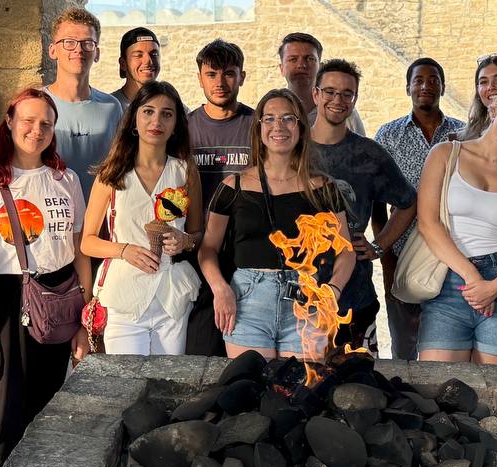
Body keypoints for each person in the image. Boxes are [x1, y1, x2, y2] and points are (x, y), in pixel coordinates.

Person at [0, 88, 92, 467]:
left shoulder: (66, 180)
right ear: (10, 122)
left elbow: (80, 253)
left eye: (46, 124)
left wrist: (84, 323)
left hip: (58, 299)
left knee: (46, 413)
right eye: (28, 121)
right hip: (5, 303)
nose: (37, 131)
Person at [199, 88, 357, 359]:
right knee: (250, 381)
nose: (278, 126)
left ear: (300, 127)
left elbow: (346, 250)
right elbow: (208, 248)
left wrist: (332, 291)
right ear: (259, 127)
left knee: (300, 384)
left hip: (306, 301)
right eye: (269, 119)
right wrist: (220, 288)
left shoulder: (323, 187)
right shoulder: (234, 186)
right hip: (248, 301)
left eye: (288, 118)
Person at [416, 84, 497, 365]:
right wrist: (472, 277)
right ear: (494, 107)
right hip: (448, 279)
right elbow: (428, 223)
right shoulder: (445, 153)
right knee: (437, 382)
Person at [80, 81, 203, 354]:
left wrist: (185, 241)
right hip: (124, 297)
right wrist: (124, 250)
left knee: (167, 377)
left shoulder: (185, 172)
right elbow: (87, 242)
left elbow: (198, 234)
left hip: (172, 298)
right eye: (148, 111)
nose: (156, 121)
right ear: (134, 119)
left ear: (176, 124)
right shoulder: (111, 175)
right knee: (125, 377)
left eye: (167, 114)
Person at [309, 59, 417, 353]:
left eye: (347, 93)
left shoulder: (369, 154)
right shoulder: (293, 148)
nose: (338, 100)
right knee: (302, 377)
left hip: (355, 296)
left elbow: (408, 202)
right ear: (316, 94)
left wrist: (379, 245)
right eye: (330, 91)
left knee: (359, 379)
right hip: (301, 293)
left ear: (355, 99)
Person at [373, 57, 465, 360]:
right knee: (406, 346)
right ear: (408, 87)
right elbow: (377, 202)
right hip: (403, 254)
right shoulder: (388, 135)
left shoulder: (462, 134)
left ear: (443, 87)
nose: (426, 86)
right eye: (419, 80)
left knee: (447, 346)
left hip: (452, 255)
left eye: (433, 80)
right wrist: (385, 256)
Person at [186, 38, 253, 355]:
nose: (220, 82)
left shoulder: (258, 125)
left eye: (228, 73)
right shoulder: (184, 127)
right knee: (200, 346)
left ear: (241, 76)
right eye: (211, 74)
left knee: (244, 346)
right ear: (200, 78)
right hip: (197, 249)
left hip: (245, 250)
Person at [44, 7, 123, 202]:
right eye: (69, 42)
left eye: (87, 43)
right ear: (53, 50)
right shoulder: (35, 104)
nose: (78, 49)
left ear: (97, 53)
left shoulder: (111, 107)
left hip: (100, 215)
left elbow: (121, 166)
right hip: (49, 212)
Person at [277, 31, 365, 136]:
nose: (301, 65)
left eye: (309, 59)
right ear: (281, 68)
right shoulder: (272, 112)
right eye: (293, 59)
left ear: (320, 66)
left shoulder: (343, 112)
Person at [111, 27, 161, 107]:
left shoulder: (170, 105)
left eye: (154, 54)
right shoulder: (110, 106)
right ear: (123, 64)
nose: (148, 61)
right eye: (138, 55)